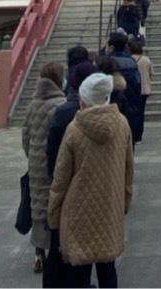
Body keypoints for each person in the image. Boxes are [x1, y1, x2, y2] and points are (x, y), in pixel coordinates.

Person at [48, 73, 134, 289]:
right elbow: (128, 169)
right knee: (108, 268)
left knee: (79, 273)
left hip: (78, 208)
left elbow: (61, 177)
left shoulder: (75, 129)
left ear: (83, 98)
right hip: (110, 205)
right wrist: (125, 200)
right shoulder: (122, 124)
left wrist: (53, 212)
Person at [21, 62, 66, 273]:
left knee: (38, 207)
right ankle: (57, 250)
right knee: (57, 205)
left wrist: (32, 156)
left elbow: (26, 135)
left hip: (37, 164)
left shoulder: (32, 104)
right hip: (57, 163)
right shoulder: (62, 104)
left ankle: (39, 251)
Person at [107, 32, 143, 143]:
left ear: (111, 46)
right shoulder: (131, 62)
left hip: (111, 108)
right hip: (130, 107)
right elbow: (137, 84)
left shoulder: (107, 62)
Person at [127, 39, 153, 143]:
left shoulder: (129, 59)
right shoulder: (146, 60)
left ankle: (132, 133)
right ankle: (139, 135)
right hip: (144, 89)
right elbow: (151, 73)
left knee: (132, 112)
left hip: (132, 89)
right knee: (141, 112)